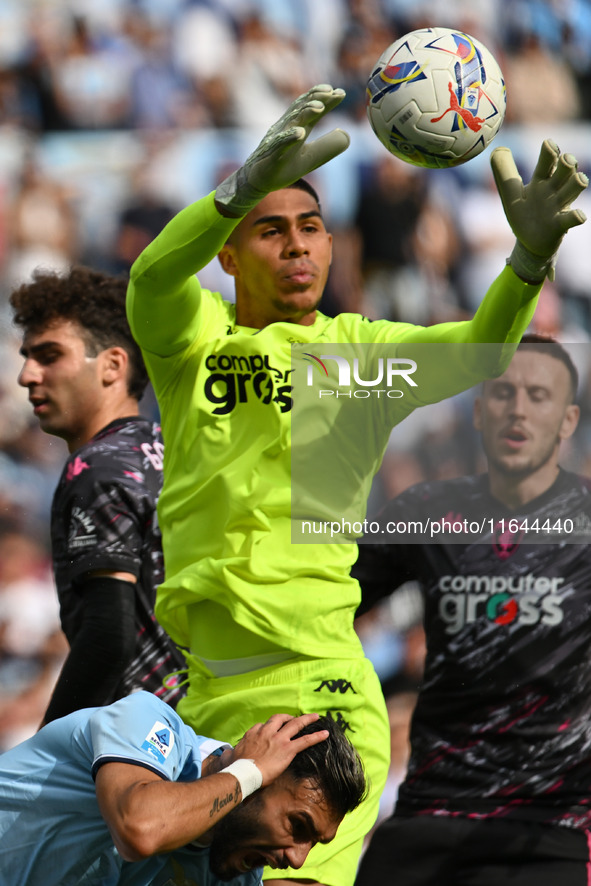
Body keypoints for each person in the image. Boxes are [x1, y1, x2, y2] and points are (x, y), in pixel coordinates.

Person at [126, 84, 587, 886]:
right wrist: (226, 195)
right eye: (269, 231)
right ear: (228, 255)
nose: (296, 246)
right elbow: (151, 284)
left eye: (311, 229)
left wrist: (527, 261)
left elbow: (480, 350)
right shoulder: (194, 338)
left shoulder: (362, 360)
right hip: (204, 702)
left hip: (317, 693)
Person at [353, 336, 591, 886]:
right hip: (429, 812)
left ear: (568, 418)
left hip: (547, 826)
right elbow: (325, 604)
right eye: (504, 393)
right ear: (480, 412)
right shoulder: (428, 511)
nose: (519, 409)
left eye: (538, 395)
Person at [10, 265, 186, 724]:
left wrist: (51, 748)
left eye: (49, 355)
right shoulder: (175, 449)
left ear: (112, 365)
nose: (27, 375)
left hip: (149, 745)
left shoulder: (97, 468)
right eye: (28, 356)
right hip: (209, 725)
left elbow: (109, 633)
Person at [0, 692, 366, 885]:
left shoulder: (232, 877)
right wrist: (247, 773)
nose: (297, 860)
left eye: (313, 843)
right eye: (298, 826)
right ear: (264, 775)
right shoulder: (147, 720)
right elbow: (139, 829)